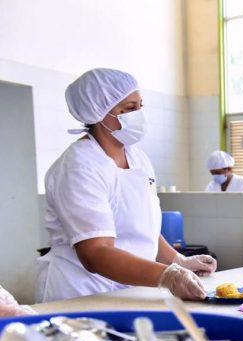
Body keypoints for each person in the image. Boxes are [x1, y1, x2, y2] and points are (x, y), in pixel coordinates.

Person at [36, 68, 217, 303]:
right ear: (98, 113)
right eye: (129, 109)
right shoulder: (80, 167)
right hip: (83, 294)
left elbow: (143, 227)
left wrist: (177, 261)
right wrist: (166, 275)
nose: (138, 115)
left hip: (129, 289)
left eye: (140, 106)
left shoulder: (137, 158)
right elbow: (96, 253)